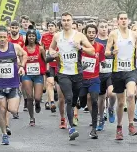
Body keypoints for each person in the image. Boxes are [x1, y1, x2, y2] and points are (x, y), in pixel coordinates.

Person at [48, 12, 95, 141]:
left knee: (74, 100)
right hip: (63, 73)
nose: (66, 22)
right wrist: (53, 53)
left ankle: (74, 107)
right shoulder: (57, 36)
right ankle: (71, 128)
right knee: (68, 98)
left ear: (72, 21)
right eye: (64, 20)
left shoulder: (79, 35)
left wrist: (80, 47)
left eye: (68, 20)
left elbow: (92, 50)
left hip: (77, 73)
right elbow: (51, 49)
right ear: (61, 22)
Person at [105, 11, 137, 140]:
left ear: (128, 20)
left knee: (131, 95)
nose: (124, 21)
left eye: (126, 18)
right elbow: (106, 52)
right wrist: (112, 52)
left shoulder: (135, 35)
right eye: (121, 19)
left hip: (130, 70)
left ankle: (131, 125)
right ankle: (119, 127)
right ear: (117, 21)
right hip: (117, 71)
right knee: (120, 103)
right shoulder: (114, 34)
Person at [79, 24, 105, 139]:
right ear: (85, 34)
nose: (91, 35)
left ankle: (94, 128)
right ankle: (82, 101)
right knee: (83, 100)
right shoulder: (80, 47)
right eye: (89, 32)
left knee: (94, 100)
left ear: (96, 34)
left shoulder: (100, 47)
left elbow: (103, 60)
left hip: (94, 78)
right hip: (81, 79)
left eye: (93, 32)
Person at [22, 29, 46, 126]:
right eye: (29, 36)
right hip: (27, 75)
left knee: (37, 97)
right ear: (27, 37)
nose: (31, 37)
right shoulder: (23, 49)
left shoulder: (40, 48)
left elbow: (45, 60)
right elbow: (20, 61)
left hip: (38, 75)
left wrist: (46, 72)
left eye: (33, 36)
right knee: (29, 97)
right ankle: (32, 117)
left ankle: (38, 103)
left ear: (36, 37)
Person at [95, 19, 116, 131]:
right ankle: (101, 119)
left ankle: (111, 108)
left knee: (112, 94)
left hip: (110, 72)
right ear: (98, 28)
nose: (104, 29)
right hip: (99, 73)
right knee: (101, 98)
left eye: (105, 26)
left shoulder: (111, 40)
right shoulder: (95, 41)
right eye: (101, 26)